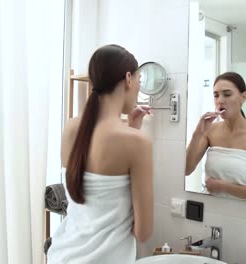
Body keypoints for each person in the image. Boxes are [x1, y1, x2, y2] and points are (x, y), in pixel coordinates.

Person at [47, 44, 153, 263]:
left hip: (62, 254)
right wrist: (133, 133)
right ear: (128, 79)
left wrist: (131, 128)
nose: (138, 90)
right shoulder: (137, 143)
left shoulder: (71, 129)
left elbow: (92, 203)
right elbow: (143, 232)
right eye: (139, 82)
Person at [185, 72, 246, 202]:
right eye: (216, 95)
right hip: (211, 211)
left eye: (227, 94)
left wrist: (223, 187)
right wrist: (197, 134)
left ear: (243, 97)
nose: (220, 100)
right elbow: (186, 169)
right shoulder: (211, 131)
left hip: (244, 215)